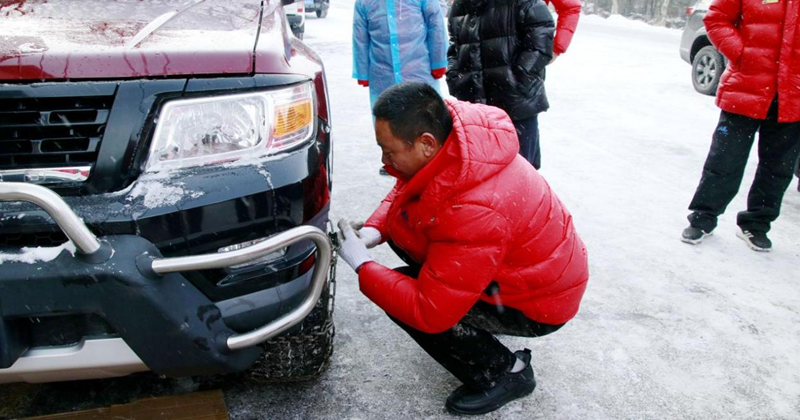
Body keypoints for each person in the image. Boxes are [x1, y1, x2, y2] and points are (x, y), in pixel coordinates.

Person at [336, 82, 589, 415]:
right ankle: (464, 300)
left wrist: (363, 265)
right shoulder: (459, 143)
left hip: (539, 302)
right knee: (403, 233)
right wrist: (375, 230)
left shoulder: (472, 209)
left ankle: (506, 374)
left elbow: (428, 310)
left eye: (389, 150)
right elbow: (410, 189)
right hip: (527, 271)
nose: (384, 160)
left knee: (404, 297)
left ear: (426, 143)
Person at [681, 0, 800, 252]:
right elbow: (716, 18)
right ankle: (703, 218)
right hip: (746, 86)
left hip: (793, 95)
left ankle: (756, 225)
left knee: (778, 168)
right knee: (725, 159)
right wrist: (740, 53)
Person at [445, 0, 555, 169]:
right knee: (480, 170)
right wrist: (455, 77)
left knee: (520, 170)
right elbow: (455, 46)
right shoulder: (461, 5)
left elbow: (540, 42)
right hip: (474, 107)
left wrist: (519, 78)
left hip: (516, 105)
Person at [351, 0, 448, 109]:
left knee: (425, 114)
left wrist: (439, 62)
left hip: (419, 72)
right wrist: (362, 71)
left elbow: (436, 25)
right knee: (386, 116)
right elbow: (360, 39)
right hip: (383, 77)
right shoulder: (364, 2)